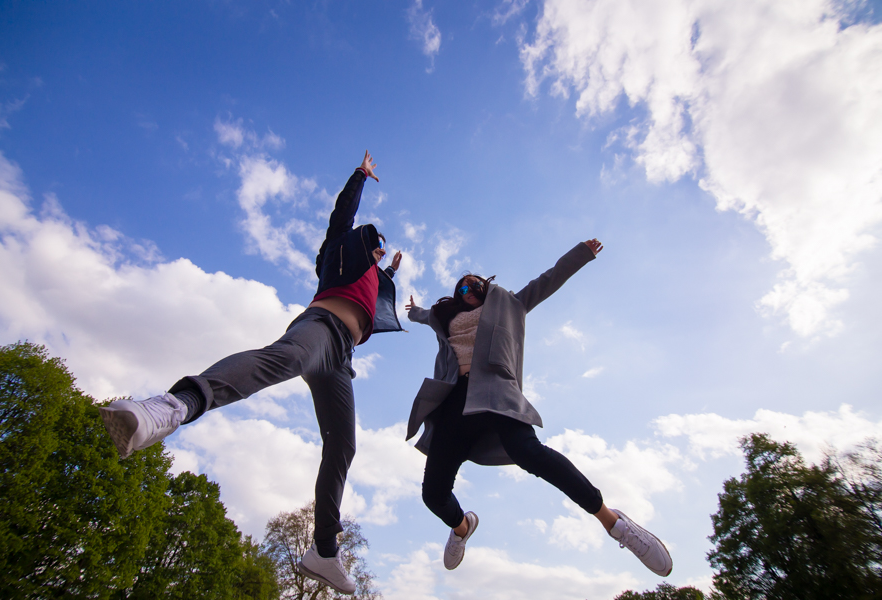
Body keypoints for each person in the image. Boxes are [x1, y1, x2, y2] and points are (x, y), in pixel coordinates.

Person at [99, 150, 402, 595]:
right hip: (321, 328)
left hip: (343, 359)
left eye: (377, 248)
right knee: (287, 358)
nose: (375, 248)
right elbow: (343, 214)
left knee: (343, 445)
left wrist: (389, 269)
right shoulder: (341, 246)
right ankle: (172, 406)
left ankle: (323, 549)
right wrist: (359, 176)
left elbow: (379, 297)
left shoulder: (375, 275)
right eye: (372, 243)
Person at [404, 239, 672, 576]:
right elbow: (422, 316)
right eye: (461, 287)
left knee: (530, 454)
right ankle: (462, 528)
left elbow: (548, 280)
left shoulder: (510, 304)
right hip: (455, 402)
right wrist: (413, 309)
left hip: (496, 395)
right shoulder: (446, 316)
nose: (466, 290)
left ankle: (615, 523)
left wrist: (582, 254)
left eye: (472, 284)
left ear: (484, 287)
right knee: (433, 494)